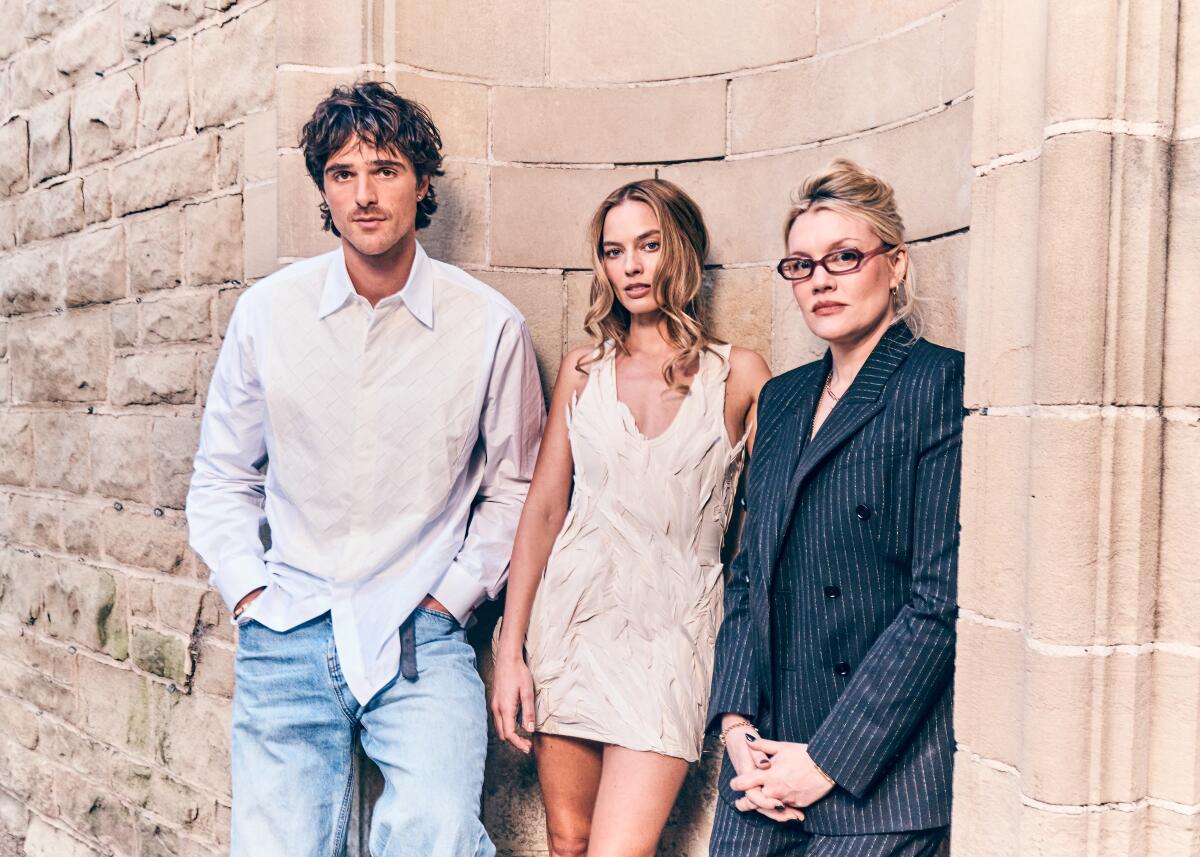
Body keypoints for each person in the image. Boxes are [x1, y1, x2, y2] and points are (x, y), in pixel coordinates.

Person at [186, 81, 545, 857]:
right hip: (287, 621)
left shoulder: (489, 326)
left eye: (384, 169)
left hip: (420, 631)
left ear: (422, 183)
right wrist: (251, 590)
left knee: (438, 834)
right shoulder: (268, 314)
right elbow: (221, 475)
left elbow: (516, 484)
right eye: (343, 174)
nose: (365, 193)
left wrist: (451, 599)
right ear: (323, 189)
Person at [490, 178, 772, 857]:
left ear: (682, 252)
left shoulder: (740, 375)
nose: (632, 267)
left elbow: (763, 531)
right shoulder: (583, 371)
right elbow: (544, 510)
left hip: (673, 638)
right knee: (568, 840)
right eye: (615, 252)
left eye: (649, 245)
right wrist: (510, 650)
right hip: (572, 626)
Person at [708, 159, 964, 857]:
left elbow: (939, 603)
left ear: (896, 264)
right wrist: (736, 727)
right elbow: (748, 573)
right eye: (801, 264)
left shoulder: (941, 385)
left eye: (844, 257)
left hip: (878, 780)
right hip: (760, 775)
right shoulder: (783, 397)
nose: (821, 279)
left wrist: (823, 761)